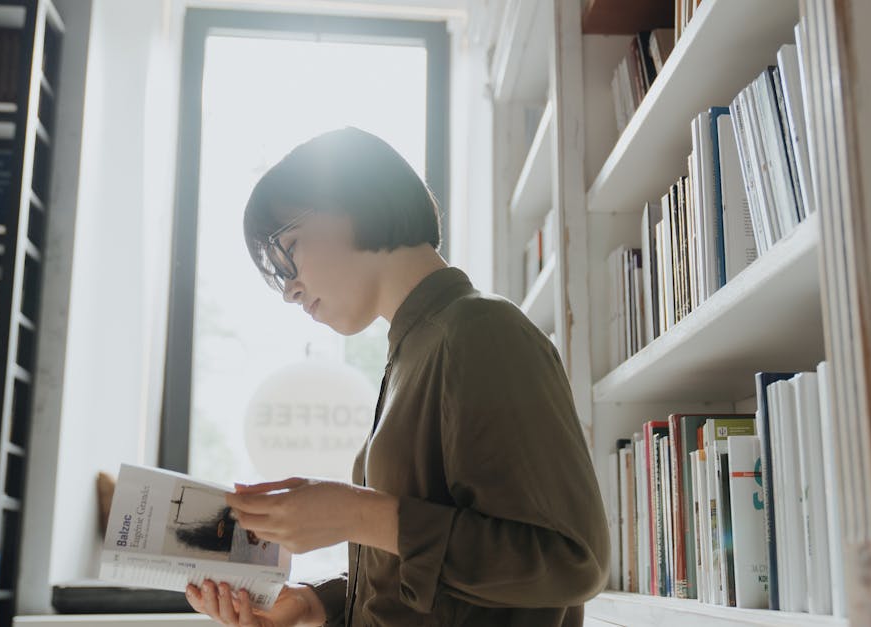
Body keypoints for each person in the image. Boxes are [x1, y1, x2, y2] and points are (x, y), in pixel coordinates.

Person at [184, 127, 610, 626]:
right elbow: (427, 584)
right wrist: (314, 602)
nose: (289, 291)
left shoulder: (478, 331)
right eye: (278, 274)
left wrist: (357, 514)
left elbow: (572, 561)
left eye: (288, 249)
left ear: (351, 202)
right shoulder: (412, 353)